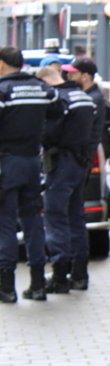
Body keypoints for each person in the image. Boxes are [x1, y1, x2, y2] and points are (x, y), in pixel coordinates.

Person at [0, 46, 58, 302]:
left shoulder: (2, 90)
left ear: (1, 66)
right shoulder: (42, 88)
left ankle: (7, 287)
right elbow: (59, 110)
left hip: (6, 164)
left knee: (5, 224)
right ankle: (38, 284)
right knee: (34, 223)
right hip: (32, 163)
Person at [36, 65, 95, 294]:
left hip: (61, 163)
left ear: (46, 82)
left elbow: (49, 133)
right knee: (76, 218)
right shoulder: (84, 97)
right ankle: (80, 275)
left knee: (55, 218)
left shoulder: (58, 100)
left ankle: (60, 276)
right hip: (79, 163)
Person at [61, 57, 106, 290]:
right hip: (82, 163)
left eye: (72, 74)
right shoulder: (93, 98)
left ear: (85, 76)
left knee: (73, 219)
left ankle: (77, 273)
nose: (68, 77)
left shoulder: (92, 101)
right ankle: (76, 272)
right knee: (74, 219)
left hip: (78, 164)